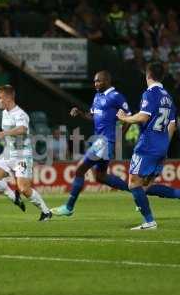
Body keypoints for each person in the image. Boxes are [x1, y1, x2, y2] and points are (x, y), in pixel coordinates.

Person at [51, 71, 132, 216]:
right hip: (99, 140)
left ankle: (69, 207)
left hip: (105, 141)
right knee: (100, 176)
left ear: (107, 80)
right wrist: (80, 113)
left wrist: (119, 137)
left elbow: (129, 117)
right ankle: (135, 190)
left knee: (80, 169)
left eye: (98, 81)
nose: (95, 84)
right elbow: (93, 116)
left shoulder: (116, 96)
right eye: (94, 81)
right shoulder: (97, 96)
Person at [117, 62, 178, 230]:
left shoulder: (150, 94)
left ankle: (149, 221)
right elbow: (172, 125)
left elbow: (143, 117)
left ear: (148, 75)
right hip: (162, 146)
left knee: (133, 184)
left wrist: (124, 118)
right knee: (146, 187)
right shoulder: (168, 97)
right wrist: (165, 144)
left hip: (147, 145)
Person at [0, 85, 52, 221]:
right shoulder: (4, 112)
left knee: (24, 189)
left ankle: (46, 212)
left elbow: (22, 129)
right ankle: (14, 197)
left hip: (22, 155)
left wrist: (3, 133)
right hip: (8, 153)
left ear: (8, 98)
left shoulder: (20, 114)